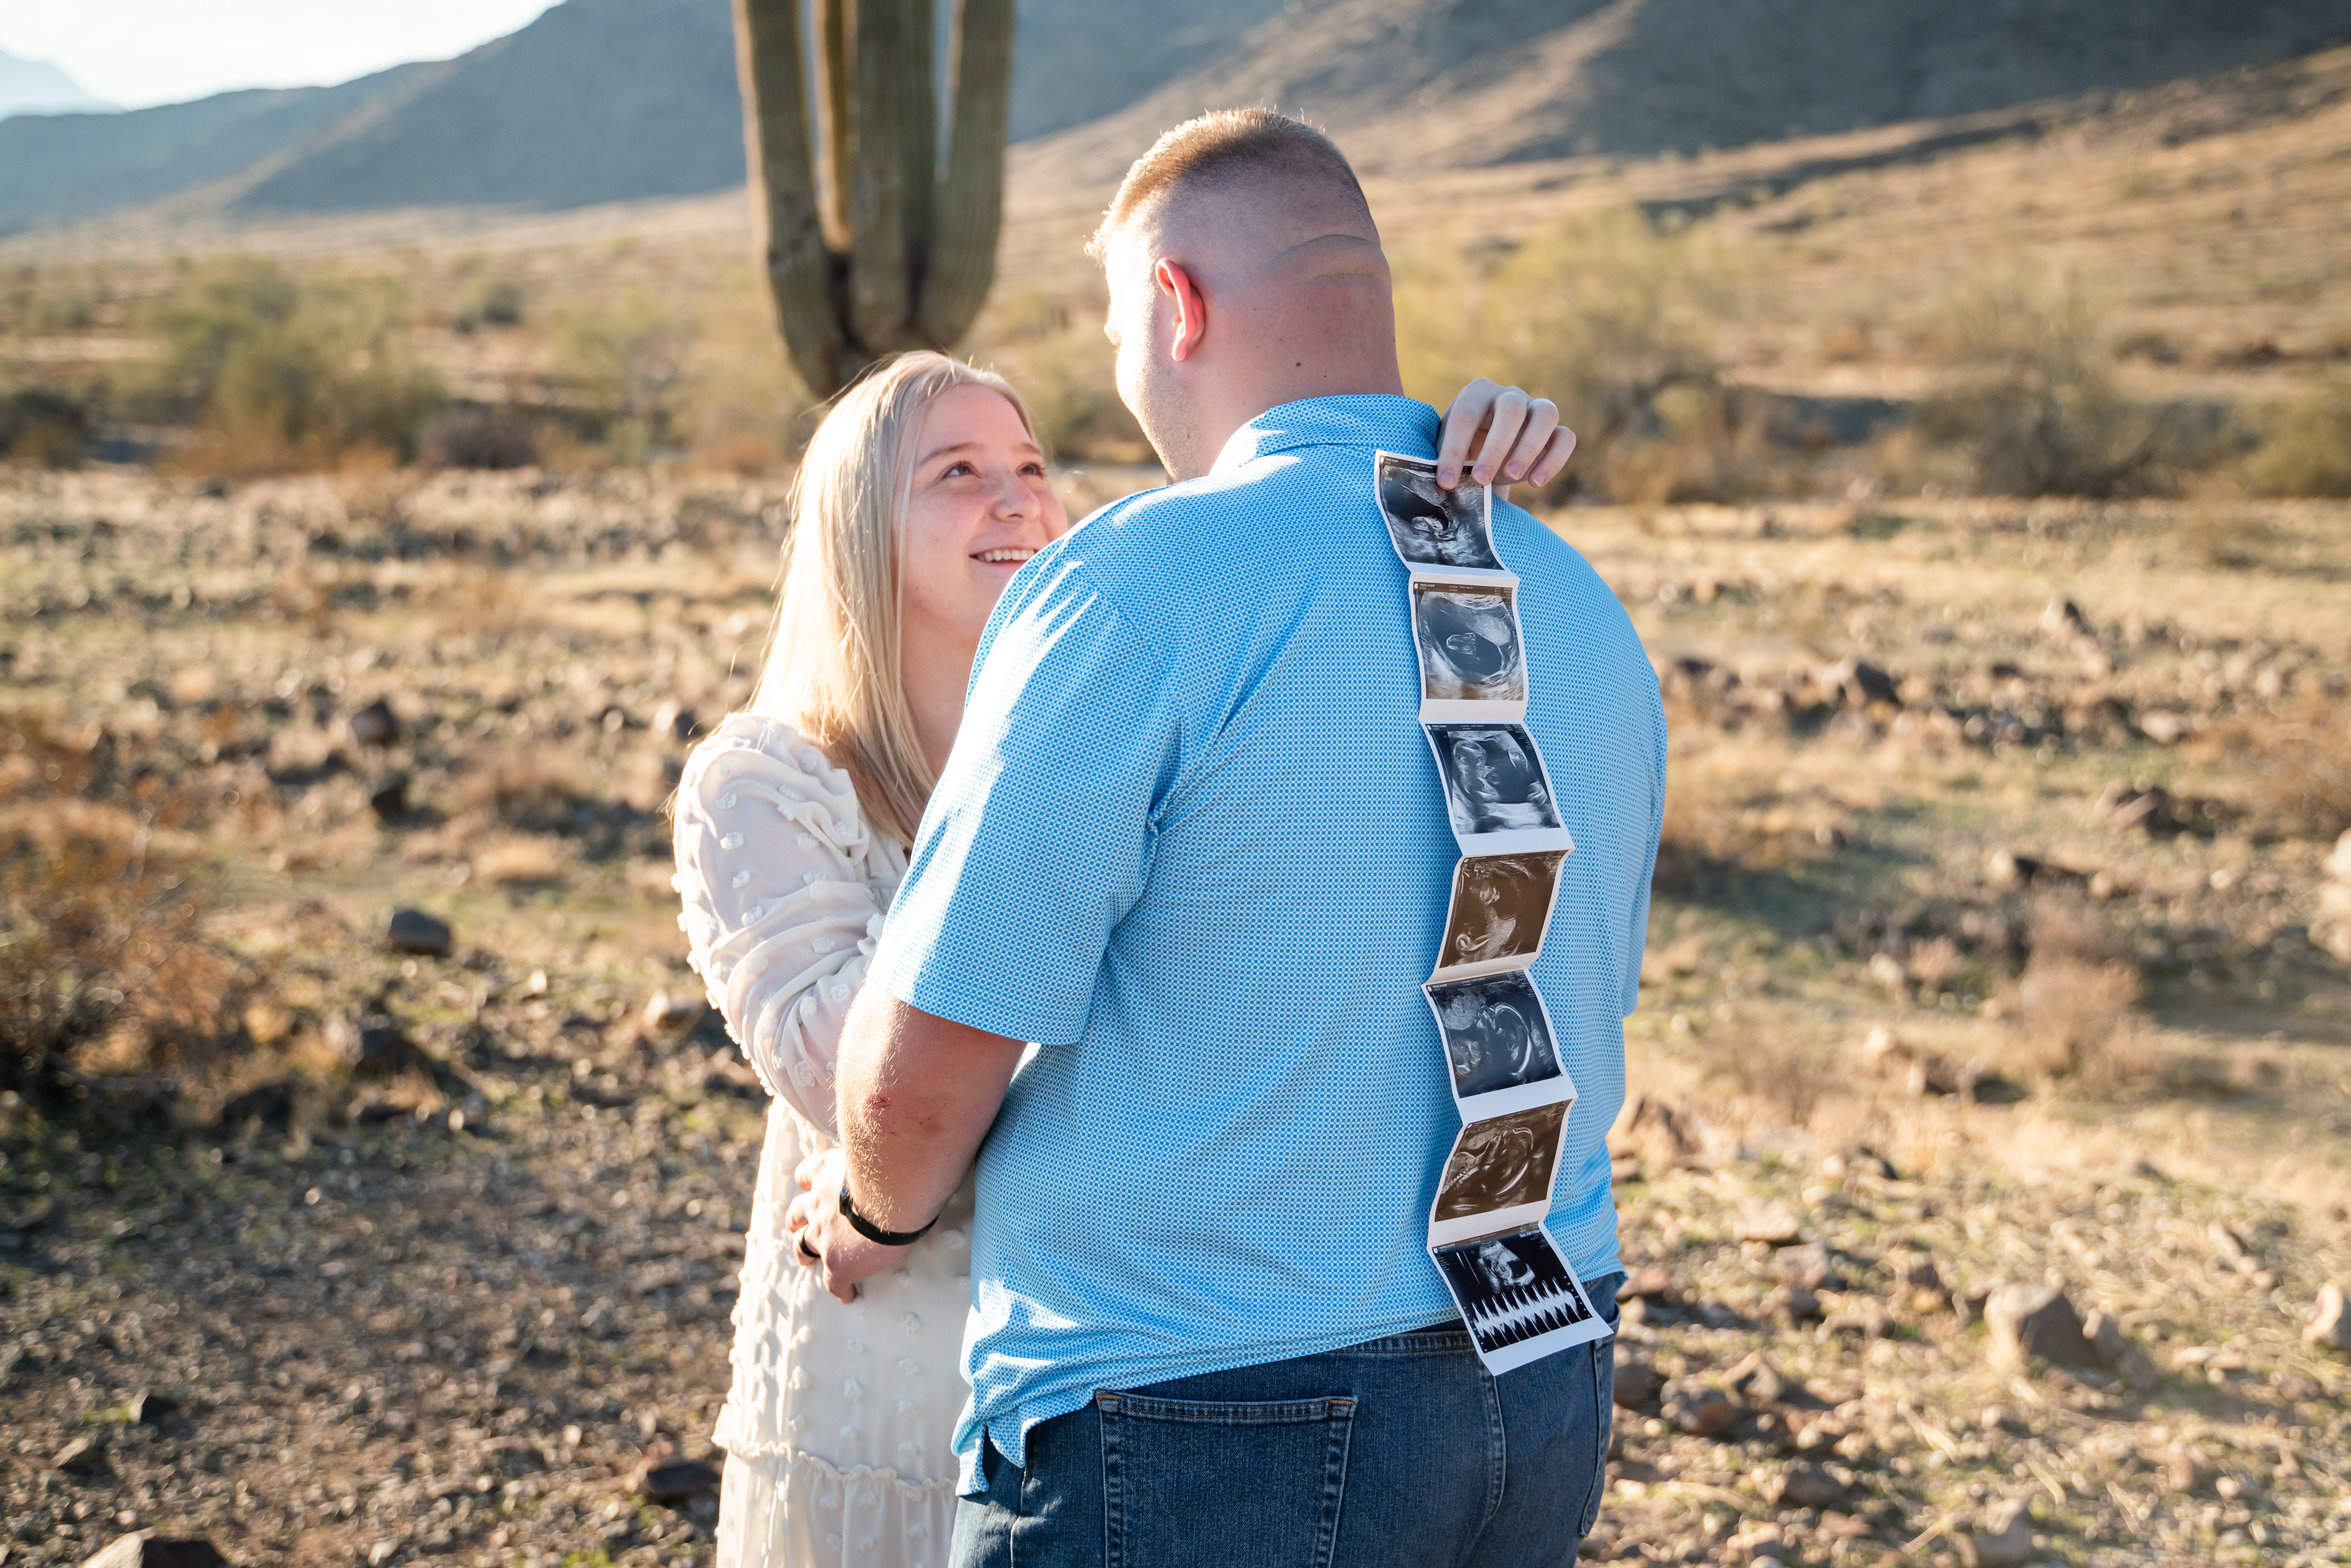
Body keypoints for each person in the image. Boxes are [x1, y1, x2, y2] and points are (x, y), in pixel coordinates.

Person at [792, 110, 1665, 1567]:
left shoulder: (1130, 584)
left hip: (1203, 1416)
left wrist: (873, 1219)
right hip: (1544, 1374)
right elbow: (1590, 984)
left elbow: (934, 1050)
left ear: (1176, 306)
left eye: (1117, 327)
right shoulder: (1582, 602)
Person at [672, 348, 1578, 1564]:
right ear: (855, 526)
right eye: (957, 472)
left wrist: (1431, 455)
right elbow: (860, 1082)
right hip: (884, 1346)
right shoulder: (767, 780)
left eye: (1030, 465)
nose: (1017, 499)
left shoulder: (1104, 724)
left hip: (1117, 1354)